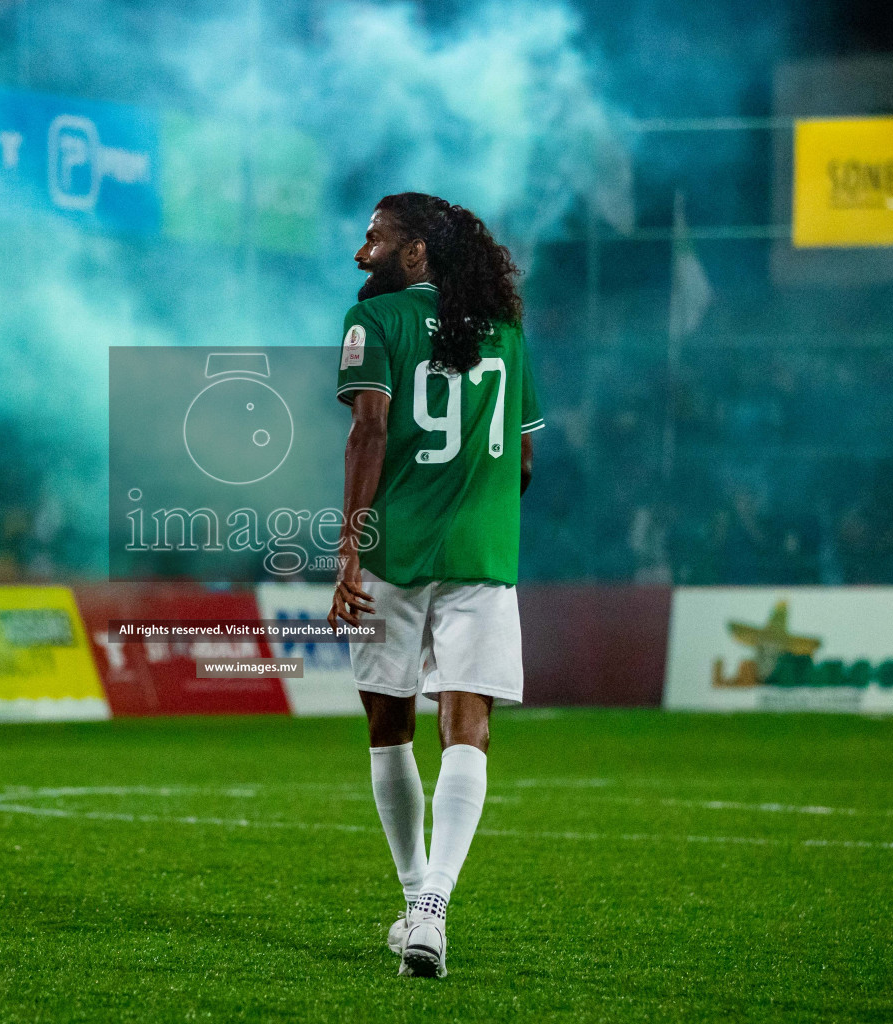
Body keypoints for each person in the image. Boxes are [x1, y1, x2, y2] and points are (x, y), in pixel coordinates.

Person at [326, 192, 542, 979]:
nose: (361, 253)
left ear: (414, 251)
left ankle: (418, 895)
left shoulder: (371, 325)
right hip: (483, 554)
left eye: (373, 238)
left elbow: (370, 429)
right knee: (468, 724)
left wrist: (350, 549)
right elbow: (521, 462)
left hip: (392, 552)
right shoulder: (509, 335)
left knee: (388, 724)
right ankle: (431, 908)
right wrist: (473, 512)